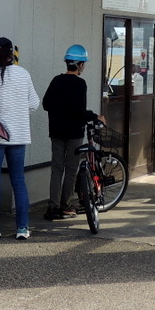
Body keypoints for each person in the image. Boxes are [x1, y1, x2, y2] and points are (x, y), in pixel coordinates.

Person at [0, 37, 41, 241]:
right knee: (19, 181)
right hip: (19, 136)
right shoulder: (23, 74)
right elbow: (34, 103)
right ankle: (22, 228)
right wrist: (17, 113)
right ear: (12, 53)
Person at [42, 44, 99, 221]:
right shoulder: (80, 84)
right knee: (71, 169)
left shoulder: (56, 80)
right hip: (74, 133)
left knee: (57, 169)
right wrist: (95, 116)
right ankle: (65, 207)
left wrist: (60, 110)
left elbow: (46, 104)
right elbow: (79, 112)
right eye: (84, 64)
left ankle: (53, 207)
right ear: (80, 65)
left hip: (56, 131)